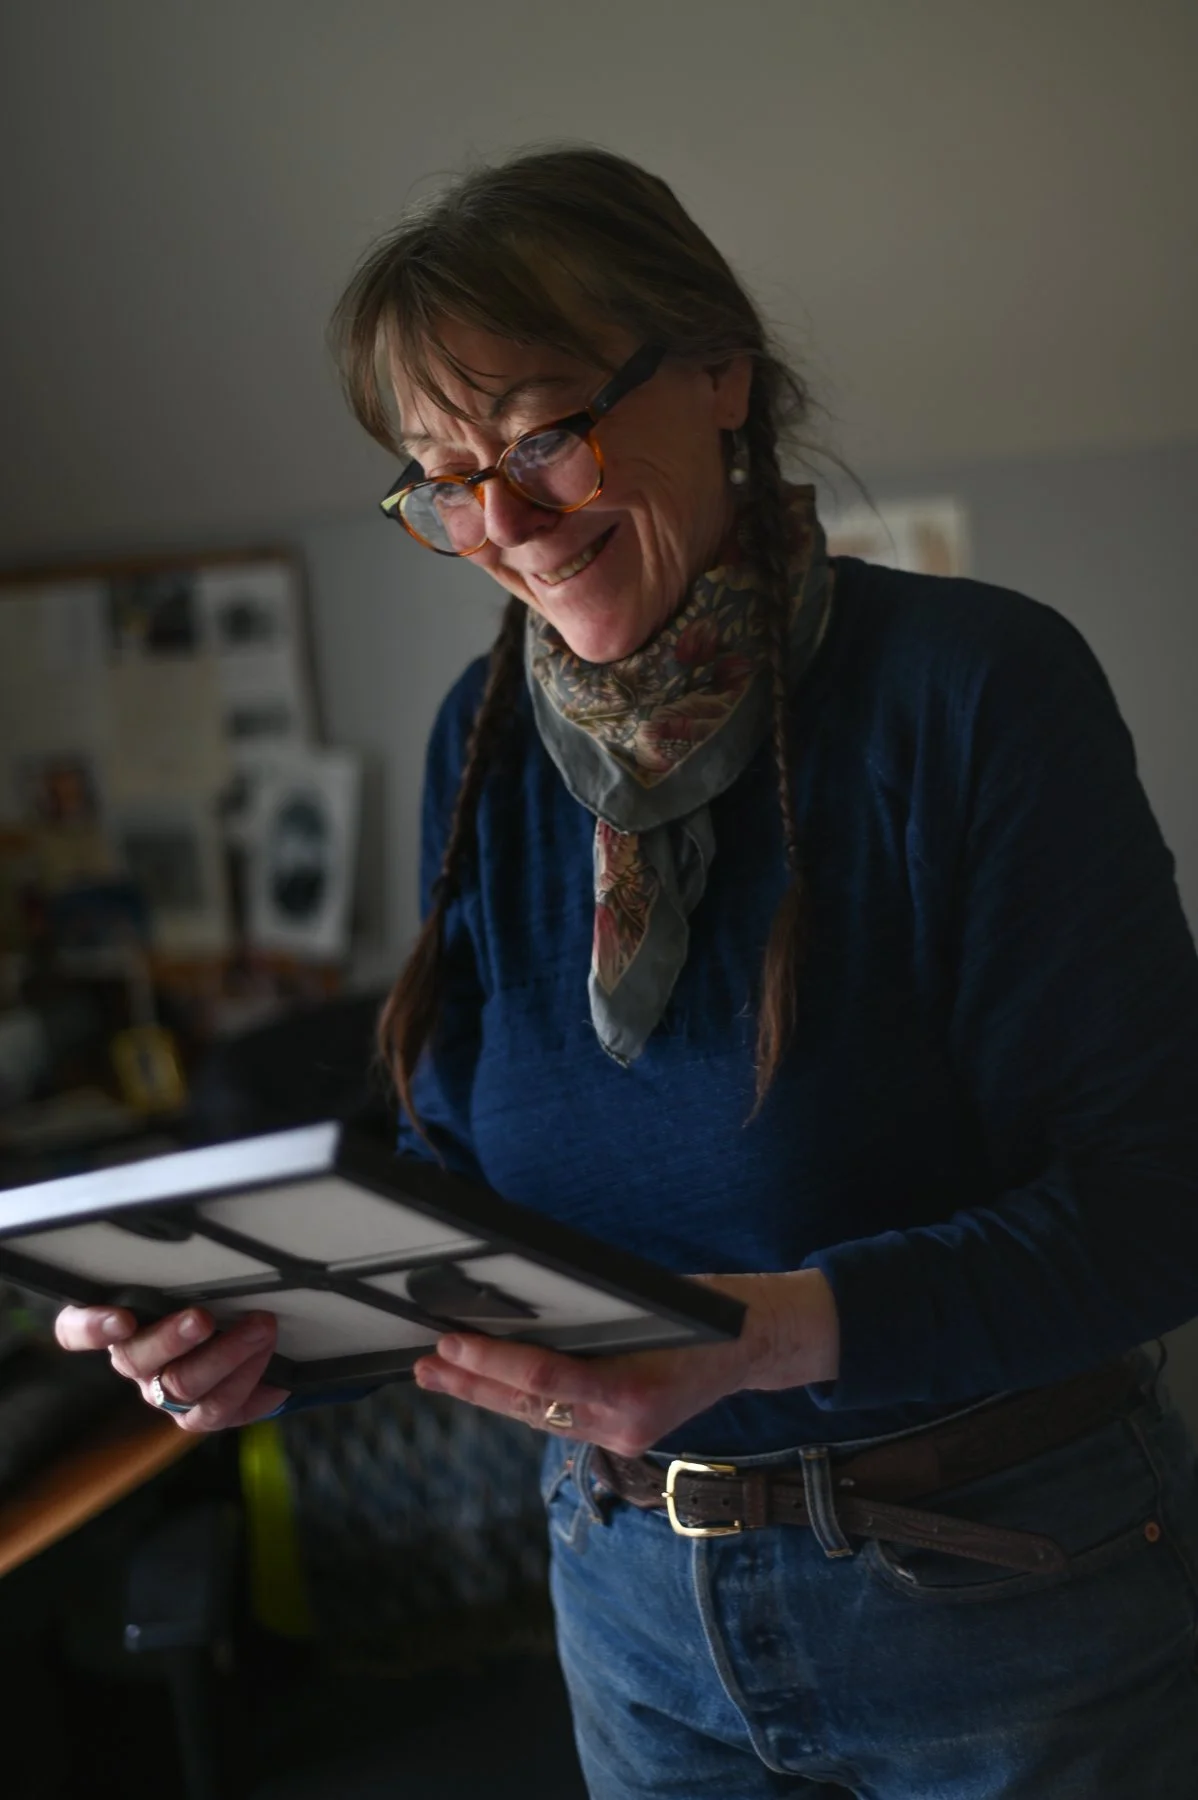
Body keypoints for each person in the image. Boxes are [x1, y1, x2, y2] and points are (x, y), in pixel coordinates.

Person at [57, 147, 1198, 1797]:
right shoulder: (490, 741)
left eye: (539, 434)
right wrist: (269, 1330)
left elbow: (1158, 1203)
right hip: (629, 1609)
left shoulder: (973, 693)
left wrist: (757, 1337)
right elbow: (468, 1198)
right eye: (440, 477)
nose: (502, 526)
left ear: (719, 367)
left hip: (997, 1610)